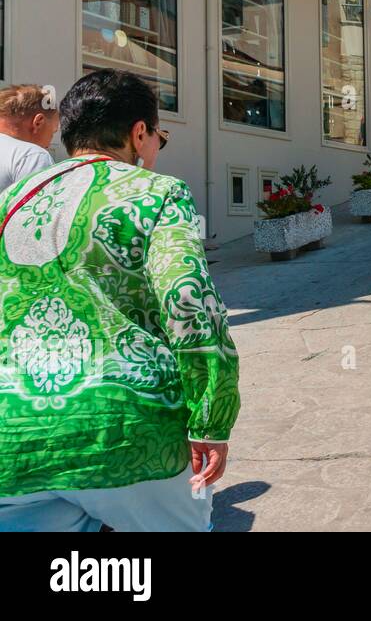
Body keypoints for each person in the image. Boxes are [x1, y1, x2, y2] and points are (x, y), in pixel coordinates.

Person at [0, 69, 240, 531]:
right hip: (128, 426)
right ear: (138, 133)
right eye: (158, 138)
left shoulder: (11, 201)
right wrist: (211, 417)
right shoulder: (157, 192)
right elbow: (188, 302)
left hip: (16, 434)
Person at [0, 84, 56, 193]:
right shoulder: (32, 156)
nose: (49, 145)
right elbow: (40, 207)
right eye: (52, 133)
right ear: (38, 122)